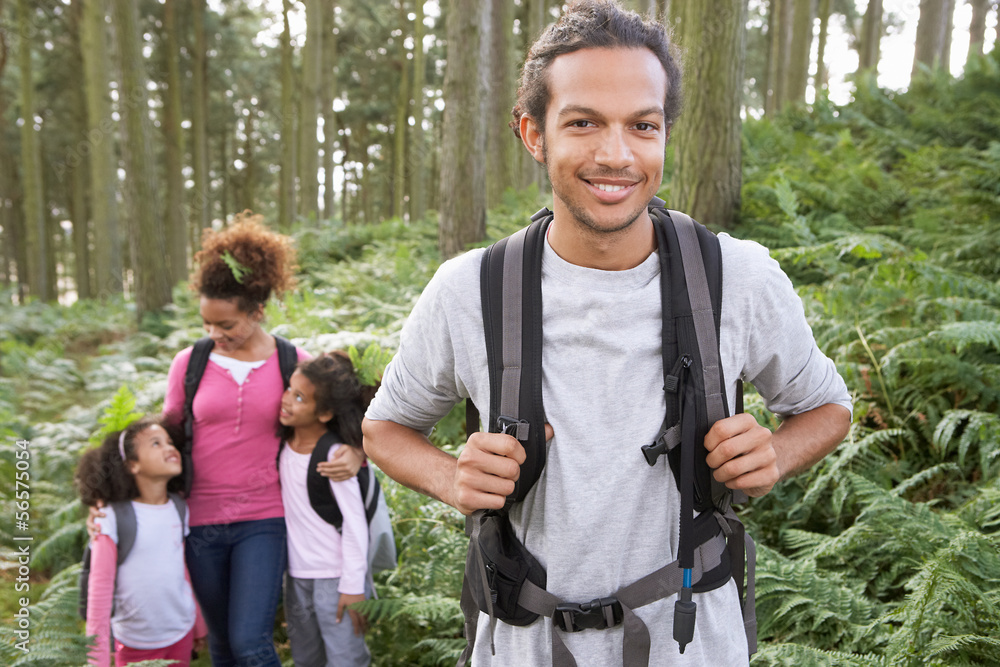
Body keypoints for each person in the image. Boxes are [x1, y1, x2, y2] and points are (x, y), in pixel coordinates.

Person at [361, 2, 853, 666]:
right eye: (584, 122)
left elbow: (828, 407)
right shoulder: (467, 292)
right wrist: (452, 479)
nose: (617, 154)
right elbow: (384, 428)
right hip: (521, 646)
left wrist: (773, 455)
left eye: (642, 125)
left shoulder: (735, 276)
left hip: (693, 645)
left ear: (666, 132)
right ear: (533, 133)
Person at [88, 213, 366, 667]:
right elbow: (166, 436)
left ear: (256, 311)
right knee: (220, 643)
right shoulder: (189, 363)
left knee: (250, 643)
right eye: (207, 324)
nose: (215, 335)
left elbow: (344, 412)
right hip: (198, 520)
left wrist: (356, 451)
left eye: (227, 325)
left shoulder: (291, 361)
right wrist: (110, 497)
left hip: (265, 519)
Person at [75, 417, 207, 667]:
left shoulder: (179, 507)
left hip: (181, 632)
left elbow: (181, 571)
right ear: (133, 464)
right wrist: (98, 659)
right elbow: (100, 591)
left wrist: (198, 623)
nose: (169, 448)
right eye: (156, 444)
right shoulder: (111, 518)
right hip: (134, 642)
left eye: (170, 442)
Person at [278, 352, 377, 667]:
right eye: (288, 390)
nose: (286, 401)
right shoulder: (282, 444)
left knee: (345, 658)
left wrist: (352, 585)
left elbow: (354, 523)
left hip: (336, 579)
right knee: (306, 658)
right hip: (297, 577)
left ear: (324, 413)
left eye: (299, 398)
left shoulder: (334, 455)